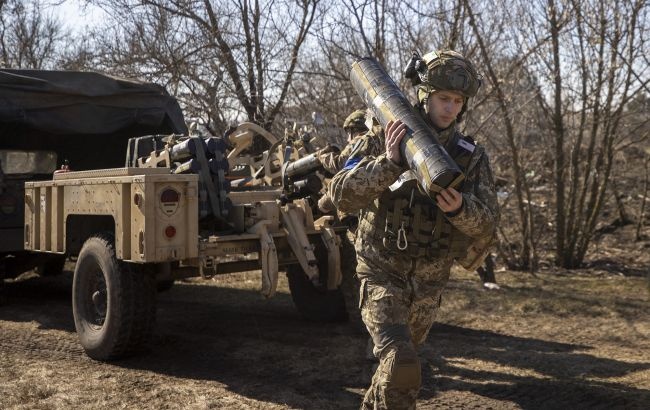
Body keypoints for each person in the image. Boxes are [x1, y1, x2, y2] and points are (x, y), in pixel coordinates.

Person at [329, 50, 499, 409]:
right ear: (424, 96)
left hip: (427, 285)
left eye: (457, 101)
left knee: (394, 373)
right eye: (443, 98)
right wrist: (388, 164)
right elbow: (339, 195)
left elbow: (487, 225)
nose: (450, 108)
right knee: (403, 364)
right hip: (380, 273)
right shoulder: (384, 136)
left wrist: (460, 209)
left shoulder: (469, 156)